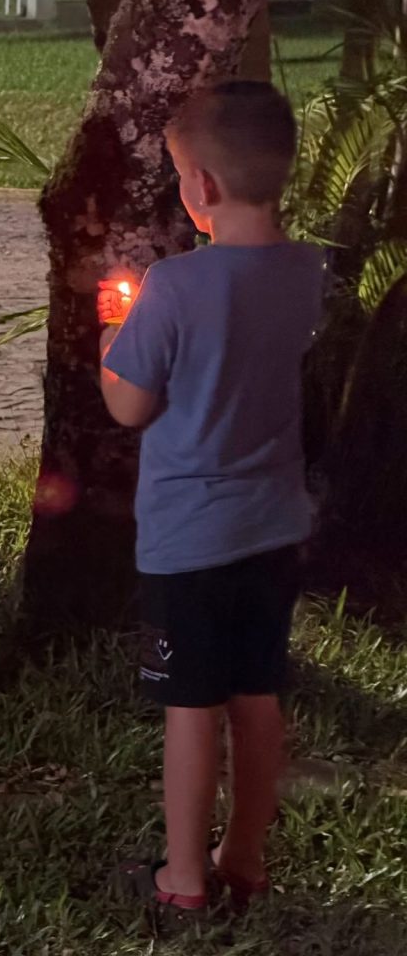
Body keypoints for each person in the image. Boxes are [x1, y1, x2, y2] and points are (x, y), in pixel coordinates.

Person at [99, 82, 323, 914]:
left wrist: (111, 337)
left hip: (188, 538)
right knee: (257, 697)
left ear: (202, 186)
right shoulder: (308, 272)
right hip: (272, 528)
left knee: (191, 707)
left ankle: (184, 880)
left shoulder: (174, 285)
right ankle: (246, 858)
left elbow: (129, 404)